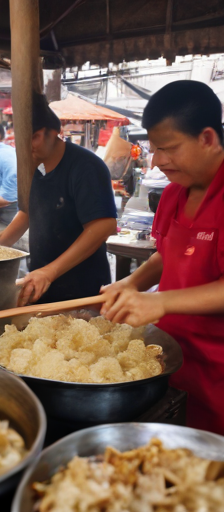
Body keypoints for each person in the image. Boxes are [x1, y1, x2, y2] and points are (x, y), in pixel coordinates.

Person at [100, 81, 224, 435]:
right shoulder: (172, 195)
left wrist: (161, 302)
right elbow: (165, 256)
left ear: (207, 138)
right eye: (154, 149)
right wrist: (128, 284)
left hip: (217, 373)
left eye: (168, 149)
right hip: (165, 359)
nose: (158, 162)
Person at [0, 93, 117, 306]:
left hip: (81, 290)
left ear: (55, 133)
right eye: (23, 138)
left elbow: (103, 226)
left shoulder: (86, 166)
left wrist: (50, 271)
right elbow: (26, 213)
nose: (28, 145)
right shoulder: (35, 166)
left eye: (35, 137)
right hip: (42, 285)